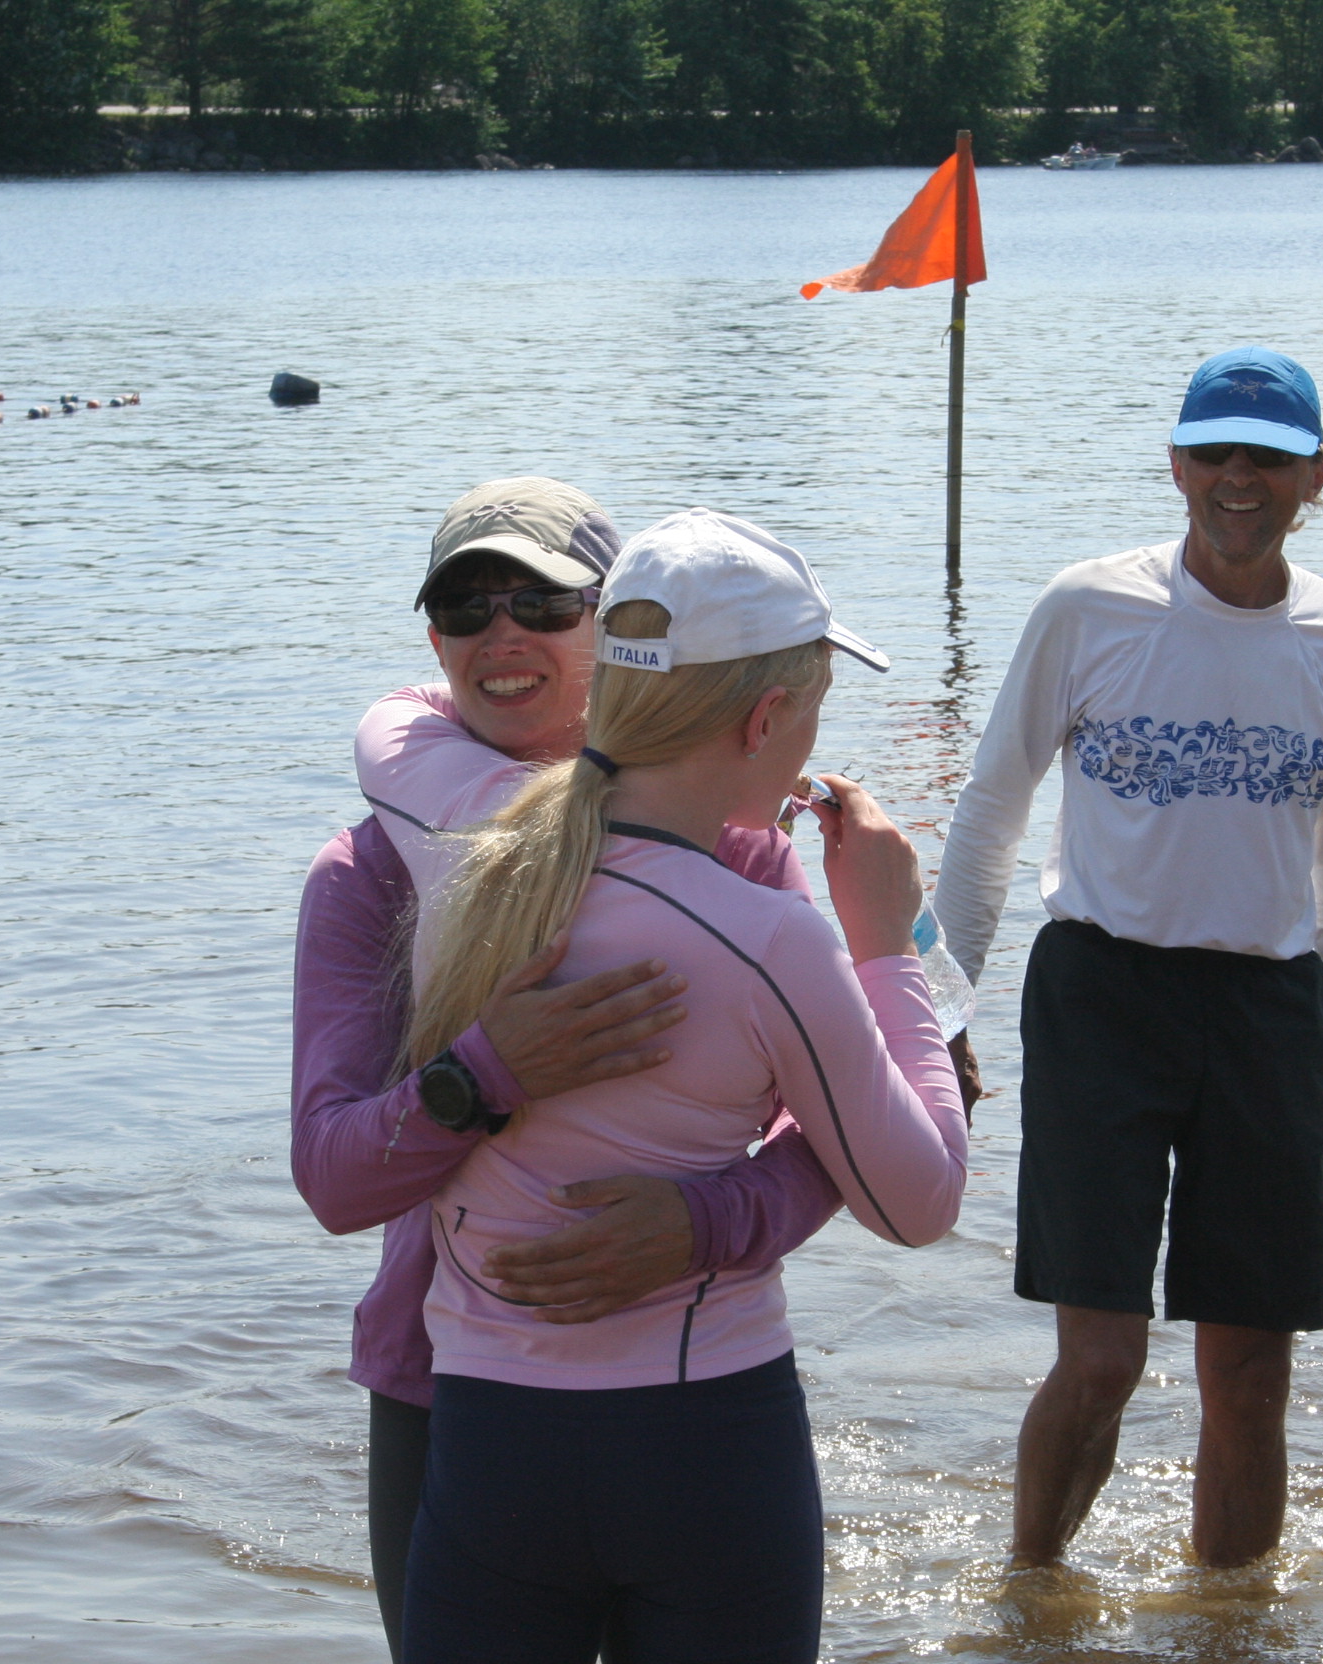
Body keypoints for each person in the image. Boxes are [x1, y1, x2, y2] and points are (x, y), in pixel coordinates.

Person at [396, 508, 969, 1664]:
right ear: (767, 719)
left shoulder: (468, 875)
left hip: (488, 1444)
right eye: (811, 710)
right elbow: (920, 1199)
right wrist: (890, 943)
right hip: (703, 1441)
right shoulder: (770, 936)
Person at [290, 478, 844, 1659]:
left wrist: (713, 1219)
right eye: (465, 604)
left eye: (542, 601)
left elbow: (852, 1135)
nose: (502, 635)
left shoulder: (745, 847)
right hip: (444, 1385)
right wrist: (485, 1072)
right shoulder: (364, 872)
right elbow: (334, 1177)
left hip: (693, 1391)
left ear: (620, 626)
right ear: (433, 640)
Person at [931, 346, 1323, 1574]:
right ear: (1177, 465)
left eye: (1271, 457)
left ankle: (1229, 1625)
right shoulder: (1089, 607)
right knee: (1102, 1356)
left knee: (1249, 1372)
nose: (1239, 479)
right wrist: (942, 1007)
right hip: (1104, 991)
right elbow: (990, 810)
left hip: (1268, 1009)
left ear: (1317, 478)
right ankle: (1028, 1600)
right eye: (1216, 453)